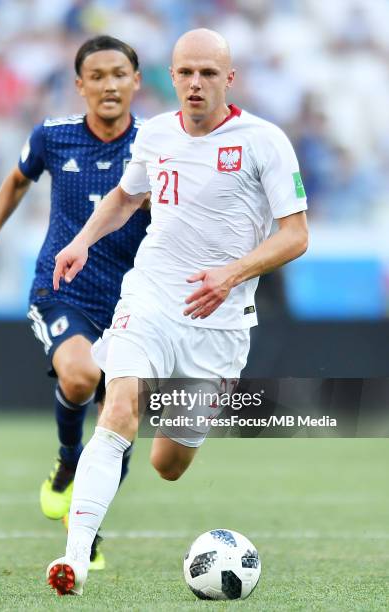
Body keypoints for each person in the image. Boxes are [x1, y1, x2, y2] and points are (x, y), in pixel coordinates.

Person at [47, 27, 309, 596]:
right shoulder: (157, 134)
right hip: (151, 298)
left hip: (219, 325)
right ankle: (75, 558)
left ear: (229, 79)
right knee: (117, 406)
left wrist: (232, 273)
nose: (194, 84)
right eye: (184, 72)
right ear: (171, 75)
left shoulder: (265, 141)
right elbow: (125, 195)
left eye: (207, 74)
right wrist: (83, 240)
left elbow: (296, 236)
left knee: (168, 463)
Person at [0, 35, 150, 570]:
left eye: (119, 74)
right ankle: (67, 464)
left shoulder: (159, 145)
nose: (109, 85)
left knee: (123, 415)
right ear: (80, 85)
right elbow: (16, 181)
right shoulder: (54, 136)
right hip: (61, 288)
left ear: (136, 81)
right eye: (98, 75)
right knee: (82, 375)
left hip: (133, 301)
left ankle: (87, 529)